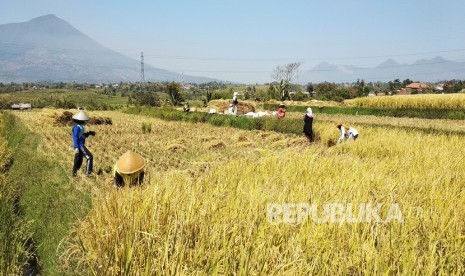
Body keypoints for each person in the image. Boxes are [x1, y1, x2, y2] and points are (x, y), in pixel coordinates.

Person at [72, 110, 95, 177]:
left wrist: (89, 133)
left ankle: (74, 173)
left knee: (79, 160)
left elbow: (82, 135)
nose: (85, 122)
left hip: (81, 144)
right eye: (84, 120)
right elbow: (75, 137)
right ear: (81, 120)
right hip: (80, 145)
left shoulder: (80, 126)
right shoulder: (77, 127)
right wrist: (76, 147)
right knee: (89, 157)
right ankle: (88, 173)